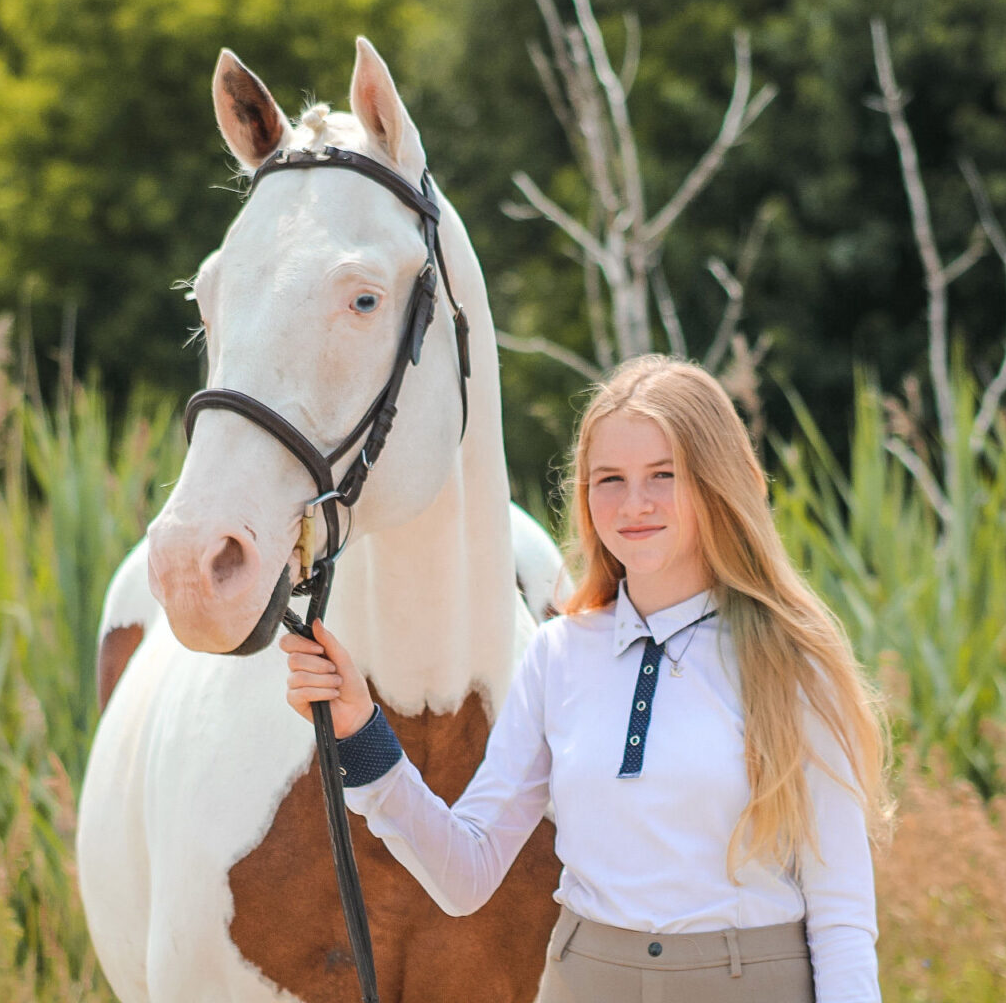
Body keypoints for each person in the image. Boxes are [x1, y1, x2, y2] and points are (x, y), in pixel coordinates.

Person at [284, 354, 893, 1002]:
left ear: (717, 483)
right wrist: (360, 732)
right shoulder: (557, 655)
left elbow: (843, 916)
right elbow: (464, 873)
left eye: (664, 475)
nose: (634, 504)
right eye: (609, 479)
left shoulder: (791, 662)